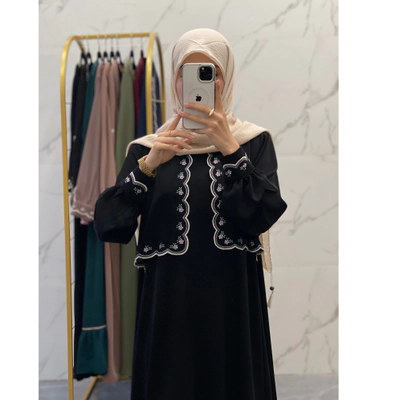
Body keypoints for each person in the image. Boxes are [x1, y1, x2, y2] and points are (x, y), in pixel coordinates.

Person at [94, 28, 287, 400]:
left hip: (233, 303)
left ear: (225, 80)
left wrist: (230, 149)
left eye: (210, 73)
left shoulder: (252, 142)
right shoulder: (146, 149)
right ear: (175, 81)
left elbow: (263, 211)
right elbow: (110, 224)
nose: (199, 84)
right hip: (169, 307)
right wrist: (150, 166)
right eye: (188, 73)